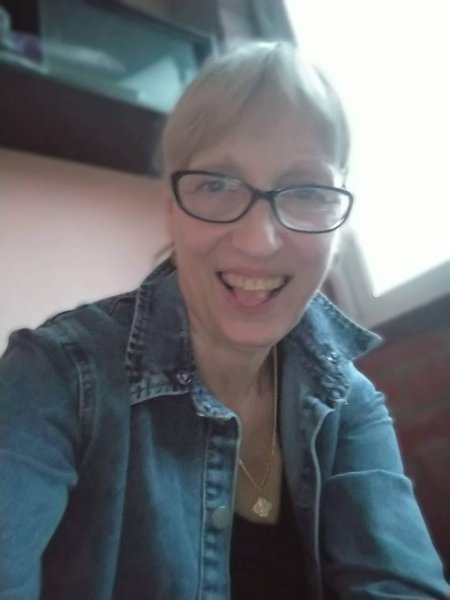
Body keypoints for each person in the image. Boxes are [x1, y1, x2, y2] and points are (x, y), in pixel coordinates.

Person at [0, 42, 448, 600]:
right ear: (171, 208)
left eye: (307, 191)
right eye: (216, 184)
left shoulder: (347, 400)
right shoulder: (56, 377)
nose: (259, 241)